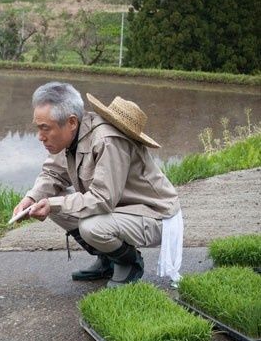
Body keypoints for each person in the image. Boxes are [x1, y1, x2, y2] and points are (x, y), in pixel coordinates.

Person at [12, 82, 183, 287]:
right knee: (51, 204)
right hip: (120, 209)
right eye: (38, 127)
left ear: (72, 122)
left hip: (154, 215)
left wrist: (53, 203)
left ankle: (128, 263)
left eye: (45, 128)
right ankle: (107, 260)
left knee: (91, 227)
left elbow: (103, 199)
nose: (40, 136)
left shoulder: (107, 141)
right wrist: (32, 198)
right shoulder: (73, 137)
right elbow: (52, 174)